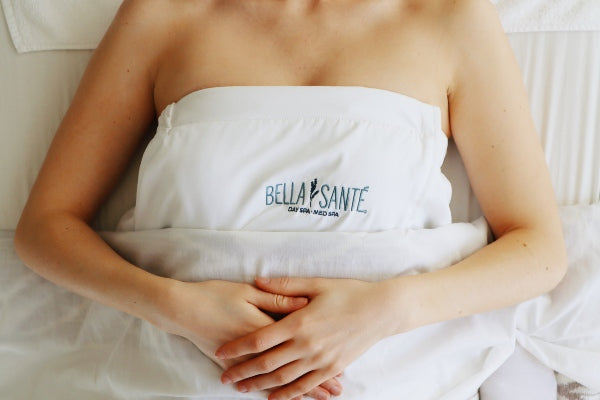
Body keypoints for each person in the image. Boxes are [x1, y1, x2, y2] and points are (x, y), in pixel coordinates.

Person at [14, 0, 567, 399]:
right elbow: (45, 227)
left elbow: (539, 248)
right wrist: (177, 307)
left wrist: (386, 310)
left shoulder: (451, 18)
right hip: (175, 369)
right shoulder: (161, 16)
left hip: (393, 368)